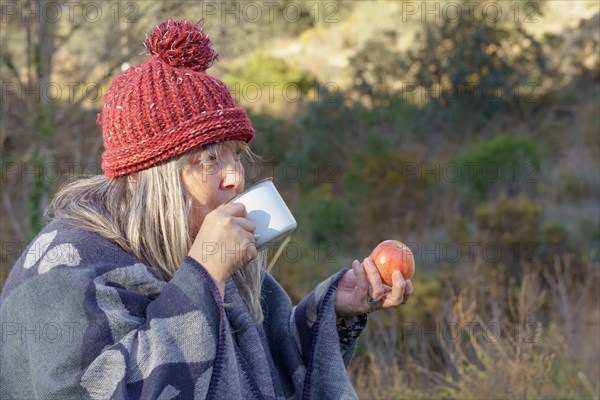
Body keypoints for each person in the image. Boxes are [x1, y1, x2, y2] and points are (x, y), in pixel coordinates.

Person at [0, 19, 413, 399]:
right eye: (210, 158)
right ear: (155, 174)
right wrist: (202, 277)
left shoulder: (197, 250)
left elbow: (269, 371)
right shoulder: (64, 273)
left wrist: (331, 314)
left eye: (236, 155)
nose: (235, 178)